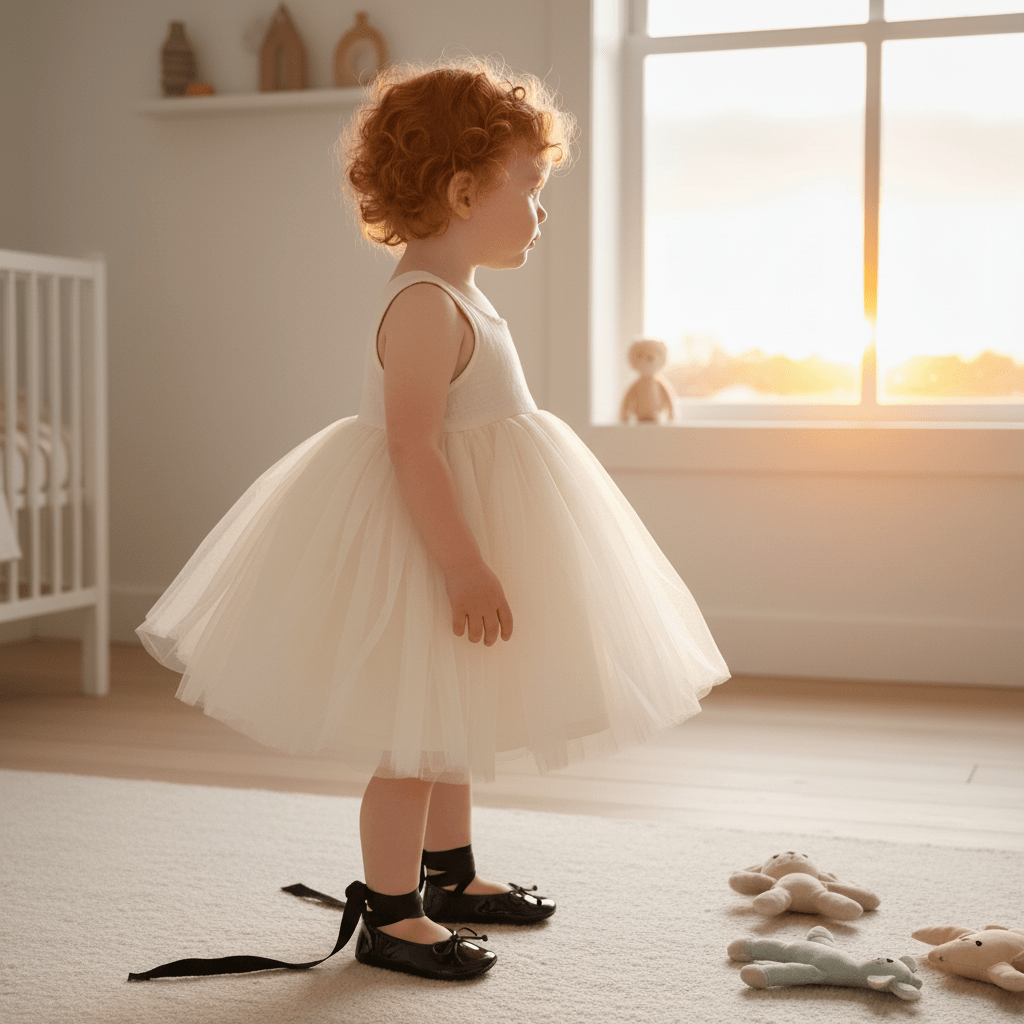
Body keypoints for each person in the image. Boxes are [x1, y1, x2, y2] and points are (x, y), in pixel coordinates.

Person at [132, 58, 729, 984]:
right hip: (424, 544)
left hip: (464, 525)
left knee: (453, 716)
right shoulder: (422, 304)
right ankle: (391, 911)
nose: (540, 209)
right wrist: (462, 566)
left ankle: (449, 874)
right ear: (461, 189)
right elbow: (412, 447)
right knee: (415, 738)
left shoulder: (462, 296)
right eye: (529, 187)